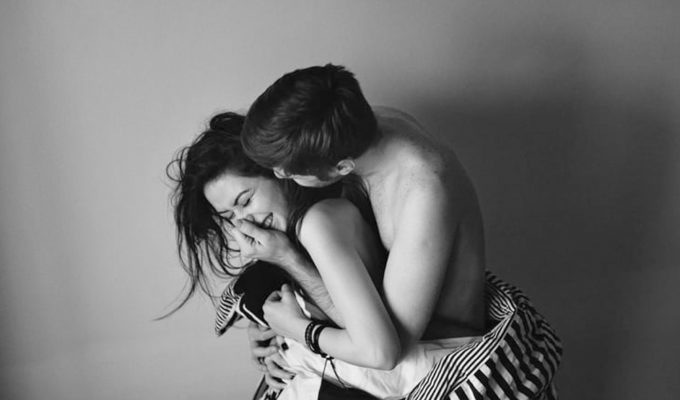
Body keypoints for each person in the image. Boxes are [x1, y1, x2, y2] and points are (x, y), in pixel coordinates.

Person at [236, 64, 562, 399]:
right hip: (391, 343)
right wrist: (270, 324)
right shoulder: (367, 124)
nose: (280, 176)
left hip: (439, 359)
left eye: (291, 173)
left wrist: (297, 329)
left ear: (342, 167)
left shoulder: (424, 190)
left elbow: (387, 349)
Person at [168, 112, 484, 400]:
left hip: (425, 367)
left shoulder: (319, 222)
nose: (243, 221)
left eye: (245, 200)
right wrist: (270, 333)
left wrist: (295, 323)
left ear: (276, 172)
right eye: (228, 216)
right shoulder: (304, 221)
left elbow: (380, 347)